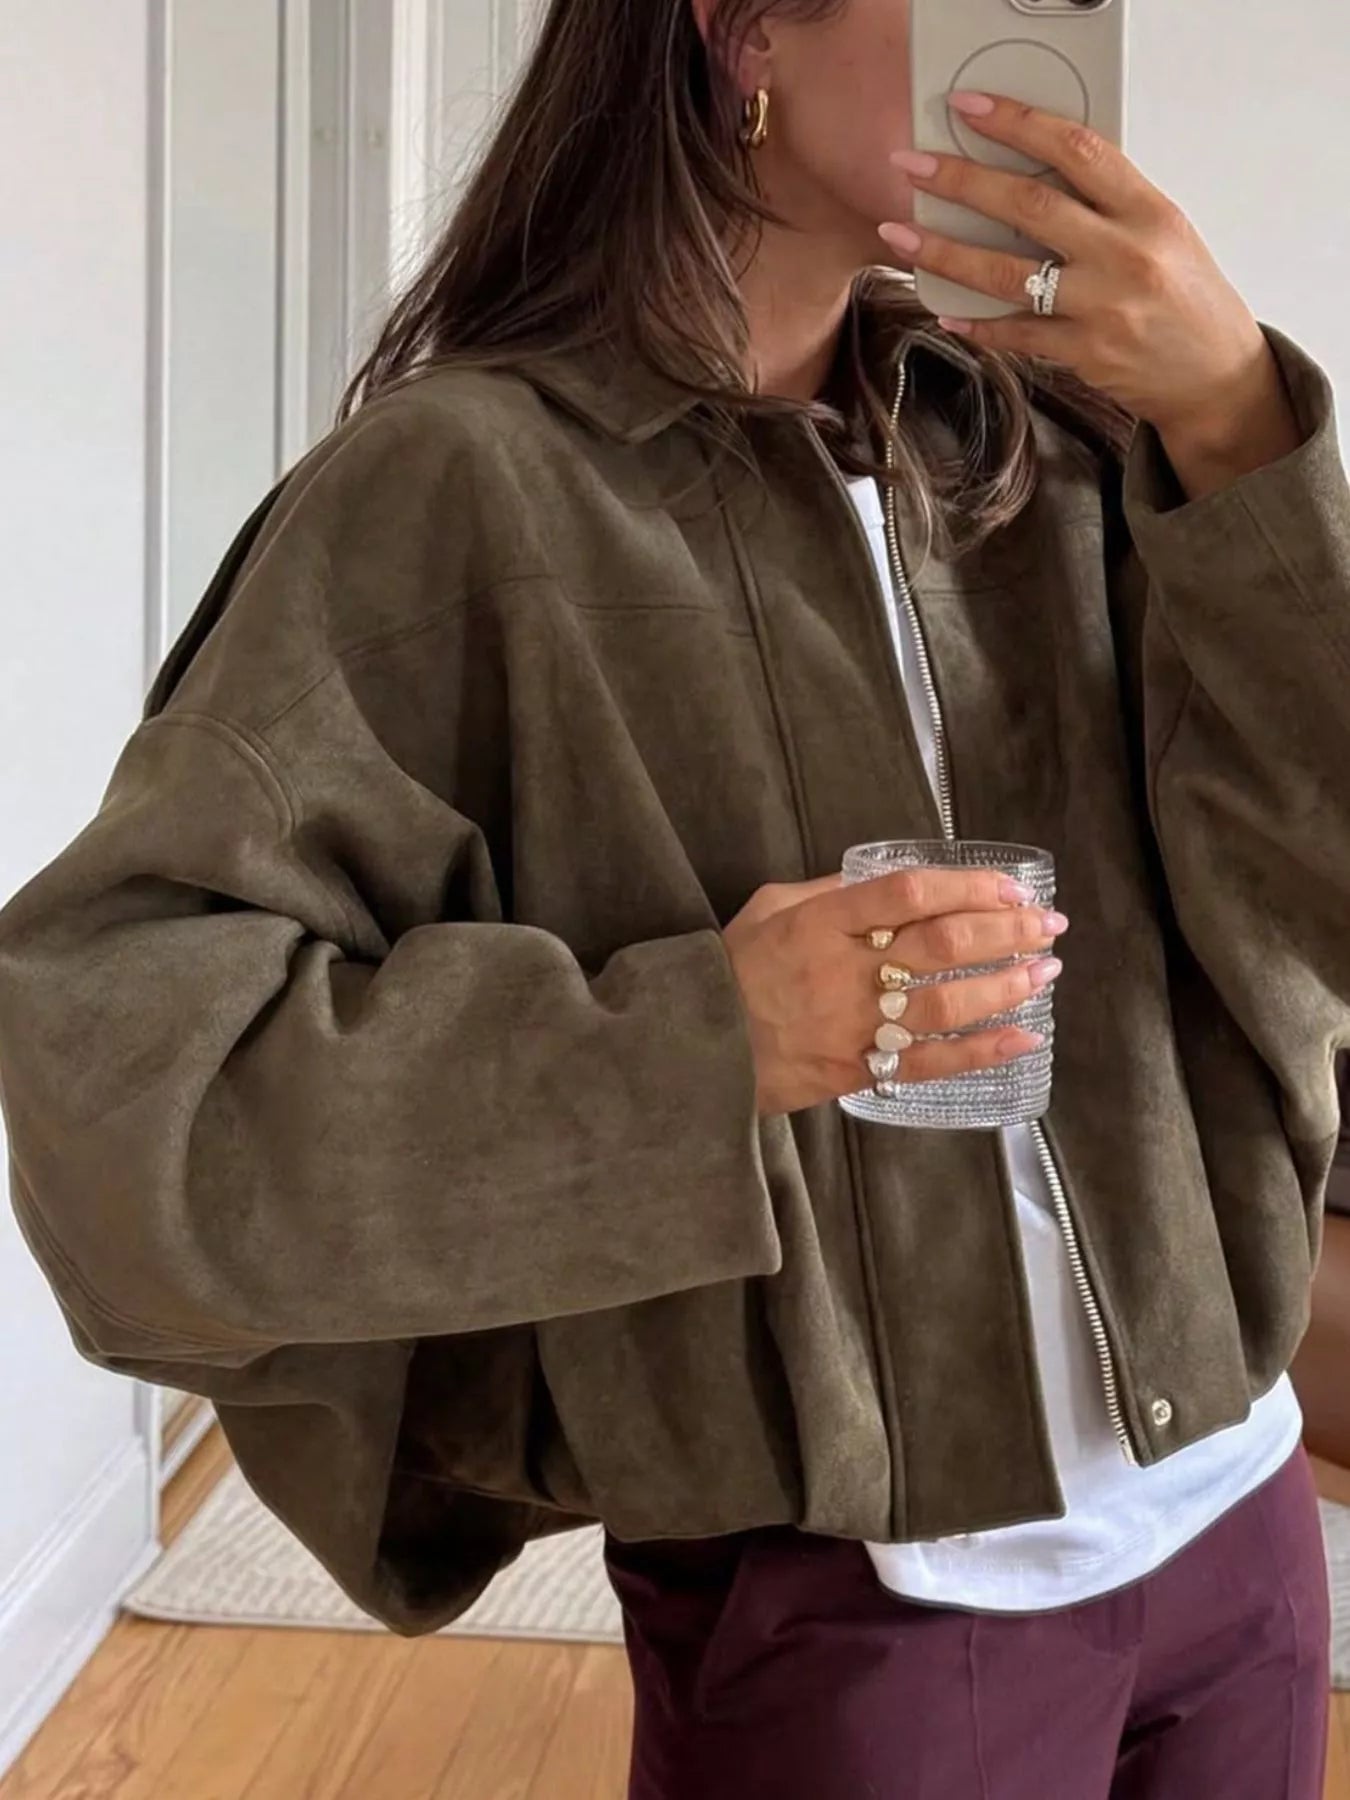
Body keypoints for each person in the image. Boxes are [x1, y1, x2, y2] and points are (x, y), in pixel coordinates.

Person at [0, 1, 1346, 1795]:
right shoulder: (458, 493)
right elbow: (117, 1088)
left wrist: (1240, 427)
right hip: (862, 1613)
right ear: (742, 29)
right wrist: (704, 1040)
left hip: (1239, 1528)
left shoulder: (1067, 452)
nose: (1029, 35)